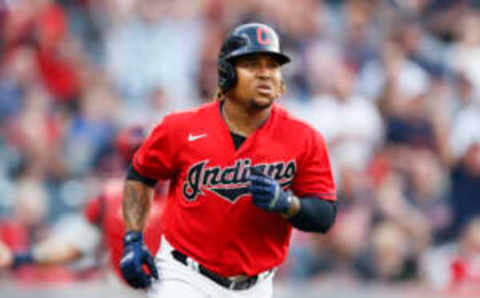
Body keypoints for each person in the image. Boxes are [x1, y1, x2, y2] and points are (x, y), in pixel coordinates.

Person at [120, 23, 337, 298]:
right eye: (252, 64)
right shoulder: (180, 127)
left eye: (272, 65)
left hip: (257, 285)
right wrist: (133, 238)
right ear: (227, 72)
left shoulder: (303, 138)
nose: (265, 74)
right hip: (184, 276)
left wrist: (288, 204)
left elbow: (324, 215)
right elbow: (141, 175)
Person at [0, 126, 165, 290]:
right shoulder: (109, 198)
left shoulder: (181, 193)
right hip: (124, 290)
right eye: (133, 157)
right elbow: (74, 246)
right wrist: (17, 257)